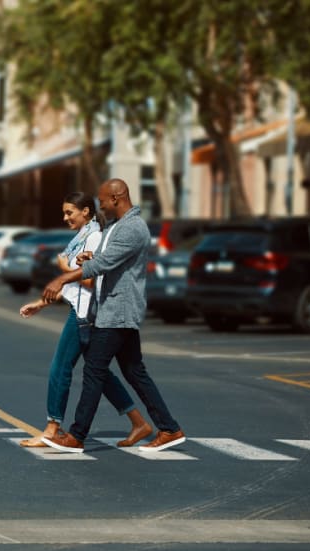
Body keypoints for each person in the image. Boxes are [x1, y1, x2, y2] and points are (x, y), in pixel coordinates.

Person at [41, 179, 186, 453]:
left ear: (118, 197)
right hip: (115, 308)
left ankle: (76, 435)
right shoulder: (117, 226)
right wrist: (87, 259)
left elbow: (105, 263)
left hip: (118, 310)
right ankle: (169, 428)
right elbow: (107, 260)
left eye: (103, 200)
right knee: (134, 371)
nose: (100, 205)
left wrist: (62, 278)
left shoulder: (133, 228)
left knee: (94, 370)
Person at [17, 192, 152, 448]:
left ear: (86, 212)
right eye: (65, 212)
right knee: (98, 372)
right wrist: (40, 304)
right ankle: (139, 422)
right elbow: (73, 286)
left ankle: (52, 428)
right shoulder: (82, 237)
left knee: (60, 367)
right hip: (80, 309)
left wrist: (65, 269)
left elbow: (91, 281)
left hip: (86, 314)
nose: (65, 217)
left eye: (70, 212)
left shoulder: (94, 237)